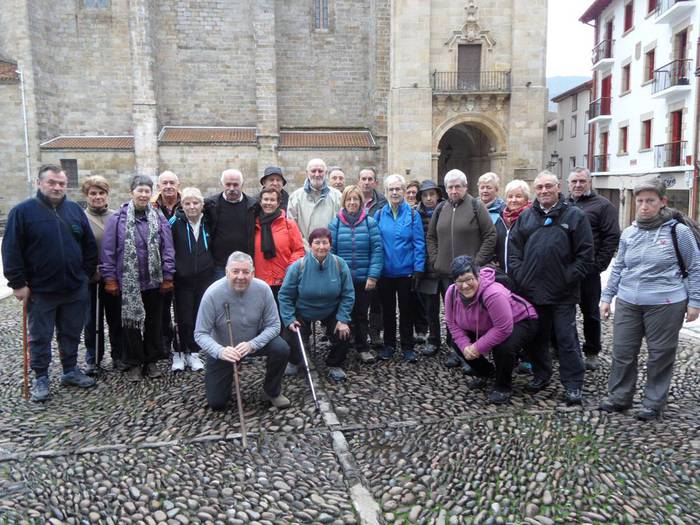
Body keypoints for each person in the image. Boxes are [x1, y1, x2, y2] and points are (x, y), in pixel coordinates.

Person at [599, 179, 700, 421]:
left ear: (662, 202)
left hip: (666, 303)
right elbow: (619, 266)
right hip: (627, 301)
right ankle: (620, 397)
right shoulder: (630, 233)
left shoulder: (679, 231)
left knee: (660, 354)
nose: (644, 206)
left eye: (650, 201)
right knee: (622, 352)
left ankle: (653, 403)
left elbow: (695, 266)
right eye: (640, 201)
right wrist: (606, 296)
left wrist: (695, 301)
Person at [2, 164, 98, 401]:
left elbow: (88, 247)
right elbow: (11, 250)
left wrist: (84, 275)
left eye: (61, 183)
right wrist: (17, 283)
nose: (57, 187)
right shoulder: (22, 212)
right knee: (40, 336)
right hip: (41, 291)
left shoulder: (75, 210)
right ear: (39, 183)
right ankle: (41, 378)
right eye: (52, 182)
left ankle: (69, 370)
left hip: (74, 288)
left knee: (71, 332)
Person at [508, 170, 594, 406]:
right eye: (539, 187)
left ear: (558, 188)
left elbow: (586, 256)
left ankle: (573, 384)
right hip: (532, 292)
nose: (544, 191)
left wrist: (567, 277)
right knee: (536, 339)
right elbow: (514, 252)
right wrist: (521, 276)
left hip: (562, 294)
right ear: (534, 191)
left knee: (567, 341)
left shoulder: (575, 216)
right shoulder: (526, 218)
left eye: (548, 186)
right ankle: (541, 375)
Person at [101, 175, 176, 382]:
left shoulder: (158, 217)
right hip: (128, 281)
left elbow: (167, 248)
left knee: (154, 322)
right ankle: (134, 361)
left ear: (152, 193)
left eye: (147, 191)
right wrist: (110, 278)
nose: (143, 195)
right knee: (130, 323)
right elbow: (108, 251)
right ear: (131, 192)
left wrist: (168, 275)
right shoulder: (117, 219)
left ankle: (151, 360)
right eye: (140, 191)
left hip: (154, 280)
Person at [195, 252, 292, 410]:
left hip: (253, 340)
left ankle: (271, 391)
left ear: (253, 273)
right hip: (225, 348)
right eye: (235, 271)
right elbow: (200, 333)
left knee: (281, 348)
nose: (241, 276)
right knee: (217, 403)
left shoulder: (263, 289)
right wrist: (220, 351)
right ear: (227, 271)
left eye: (246, 272)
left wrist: (252, 344)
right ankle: (227, 374)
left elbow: (274, 325)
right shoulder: (212, 294)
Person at [427, 169, 496, 369]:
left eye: (458, 186)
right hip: (446, 273)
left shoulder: (476, 206)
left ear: (465, 187)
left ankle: (471, 353)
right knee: (450, 314)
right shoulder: (441, 208)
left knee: (469, 315)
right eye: (450, 187)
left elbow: (490, 236)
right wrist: (435, 259)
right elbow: (431, 237)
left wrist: (476, 265)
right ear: (446, 189)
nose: (454, 190)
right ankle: (453, 349)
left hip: (469, 277)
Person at [445, 256, 539, 404]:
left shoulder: (493, 293)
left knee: (503, 347)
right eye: (459, 281)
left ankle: (503, 387)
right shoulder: (451, 292)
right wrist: (465, 347)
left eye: (469, 279)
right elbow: (452, 324)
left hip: (521, 320)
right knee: (457, 343)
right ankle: (487, 373)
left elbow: (503, 328)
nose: (464, 286)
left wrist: (477, 347)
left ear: (477, 275)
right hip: (487, 325)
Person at [278, 228, 355, 381]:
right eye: (317, 243)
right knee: (290, 334)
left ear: (330, 245)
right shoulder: (298, 267)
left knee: (344, 333)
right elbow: (285, 295)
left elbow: (348, 294)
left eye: (325, 243)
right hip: (303, 309)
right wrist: (289, 318)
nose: (321, 247)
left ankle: (334, 364)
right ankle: (294, 360)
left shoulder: (340, 264)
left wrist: (343, 319)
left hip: (330, 309)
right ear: (310, 245)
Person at [567, 167, 621, 371]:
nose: (578, 185)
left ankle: (591, 351)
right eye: (574, 181)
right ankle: (565, 348)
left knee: (590, 313)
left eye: (582, 181)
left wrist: (598, 265)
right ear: (568, 184)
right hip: (565, 270)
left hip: (589, 271)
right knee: (564, 312)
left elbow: (611, 237)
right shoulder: (564, 204)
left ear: (590, 182)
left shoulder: (603, 205)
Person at [329, 185, 383, 364]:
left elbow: (377, 250)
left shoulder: (370, 222)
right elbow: (332, 252)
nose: (352, 202)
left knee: (361, 315)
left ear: (361, 202)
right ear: (344, 201)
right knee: (343, 314)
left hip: (363, 278)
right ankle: (342, 348)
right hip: (343, 280)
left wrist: (373, 276)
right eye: (349, 199)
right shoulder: (335, 223)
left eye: (356, 199)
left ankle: (362, 347)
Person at [374, 174, 426, 362]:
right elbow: (376, 243)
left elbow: (419, 243)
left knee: (407, 311)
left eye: (398, 189)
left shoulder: (413, 215)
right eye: (391, 189)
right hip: (385, 272)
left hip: (406, 272)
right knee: (387, 311)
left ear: (404, 191)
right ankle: (389, 345)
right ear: (385, 192)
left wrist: (419, 269)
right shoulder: (379, 214)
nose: (394, 192)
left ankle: (407, 346)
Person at [81, 176, 125, 375]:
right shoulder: (81, 218)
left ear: (107, 195)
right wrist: (90, 270)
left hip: (113, 277)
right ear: (87, 196)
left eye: (101, 193)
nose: (97, 197)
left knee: (116, 318)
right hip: (91, 278)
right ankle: (93, 358)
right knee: (91, 320)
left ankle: (119, 355)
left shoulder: (117, 217)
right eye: (93, 193)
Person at [168, 187, 215, 373]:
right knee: (182, 317)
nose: (192, 207)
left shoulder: (208, 222)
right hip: (182, 279)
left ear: (202, 206)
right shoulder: (174, 223)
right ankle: (179, 352)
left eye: (196, 203)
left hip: (203, 277)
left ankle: (193, 352)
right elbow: (167, 248)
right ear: (182, 205)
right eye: (187, 203)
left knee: (197, 317)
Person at [204, 169, 257, 278]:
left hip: (245, 264)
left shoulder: (253, 206)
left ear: (242, 184)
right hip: (219, 266)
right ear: (222, 184)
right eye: (228, 184)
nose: (232, 188)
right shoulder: (210, 205)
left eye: (235, 185)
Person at [253, 187, 305, 298]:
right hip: (260, 282)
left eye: (272, 200)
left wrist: (290, 269)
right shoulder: (254, 225)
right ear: (260, 202)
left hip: (284, 280)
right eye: (265, 199)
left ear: (278, 203)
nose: (268, 203)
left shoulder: (288, 225)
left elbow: (298, 250)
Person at [357, 166, 387, 346]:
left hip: (376, 255)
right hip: (357, 256)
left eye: (370, 179)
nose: (367, 182)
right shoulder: (352, 199)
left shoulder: (382, 202)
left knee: (377, 299)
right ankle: (357, 332)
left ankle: (375, 332)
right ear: (358, 181)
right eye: (363, 178)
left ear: (375, 182)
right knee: (357, 300)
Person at [153, 171, 182, 358]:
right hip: (159, 264)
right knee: (161, 308)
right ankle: (164, 339)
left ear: (178, 185)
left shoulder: (188, 204)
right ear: (158, 186)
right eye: (165, 183)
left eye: (172, 182)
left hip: (183, 264)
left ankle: (184, 340)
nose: (168, 186)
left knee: (182, 306)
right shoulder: (152, 207)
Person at [415, 180, 444, 356]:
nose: (428, 198)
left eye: (431, 194)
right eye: (425, 195)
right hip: (427, 268)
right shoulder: (415, 215)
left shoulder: (447, 211)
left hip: (446, 267)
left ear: (438, 196)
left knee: (452, 308)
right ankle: (433, 340)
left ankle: (454, 341)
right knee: (431, 309)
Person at [287, 158, 342, 242]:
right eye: (313, 171)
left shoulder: (337, 196)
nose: (317, 174)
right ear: (307, 173)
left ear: (326, 173)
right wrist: (307, 248)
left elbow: (342, 227)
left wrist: (328, 246)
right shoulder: (295, 197)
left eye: (320, 171)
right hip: (304, 250)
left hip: (330, 249)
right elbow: (292, 228)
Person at [494, 179, 531, 271]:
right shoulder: (500, 219)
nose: (513, 200)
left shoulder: (531, 218)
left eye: (518, 196)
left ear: (526, 199)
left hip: (525, 274)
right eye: (510, 197)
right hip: (503, 274)